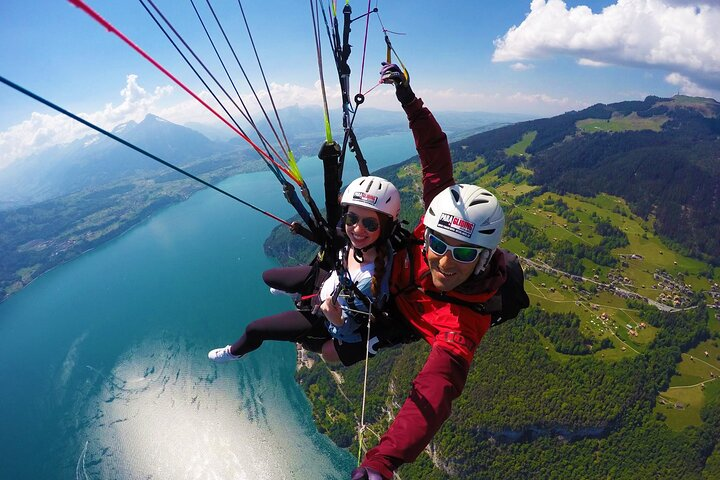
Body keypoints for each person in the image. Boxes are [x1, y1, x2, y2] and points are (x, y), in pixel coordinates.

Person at [351, 64, 518, 480]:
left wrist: (383, 461)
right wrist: (408, 98)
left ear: (483, 260)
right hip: (401, 291)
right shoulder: (435, 221)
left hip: (404, 318)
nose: (444, 260)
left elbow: (434, 393)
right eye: (438, 245)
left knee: (333, 351)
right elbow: (435, 155)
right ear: (427, 235)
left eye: (462, 255)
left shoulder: (466, 324)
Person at [207, 175, 401, 367]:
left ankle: (234, 353)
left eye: (370, 224)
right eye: (351, 218)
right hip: (325, 283)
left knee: (255, 329)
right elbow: (325, 222)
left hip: (321, 318)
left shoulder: (370, 282)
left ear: (385, 228)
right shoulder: (358, 243)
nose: (357, 229)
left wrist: (337, 321)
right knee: (268, 277)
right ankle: (297, 291)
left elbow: (351, 332)